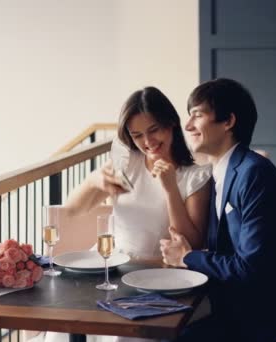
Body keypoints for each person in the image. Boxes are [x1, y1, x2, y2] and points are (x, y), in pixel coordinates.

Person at [160, 78, 276, 341]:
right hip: (240, 312)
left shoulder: (254, 174)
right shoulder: (223, 173)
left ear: (228, 121)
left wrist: (188, 257)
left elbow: (252, 268)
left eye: (197, 115)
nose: (187, 126)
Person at [39, 86, 211, 342]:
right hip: (111, 268)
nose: (148, 142)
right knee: (59, 330)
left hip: (161, 277)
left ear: (171, 123)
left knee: (125, 337)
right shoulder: (128, 163)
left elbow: (192, 244)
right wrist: (94, 181)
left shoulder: (196, 175)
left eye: (154, 130)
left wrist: (170, 188)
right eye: (137, 135)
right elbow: (74, 208)